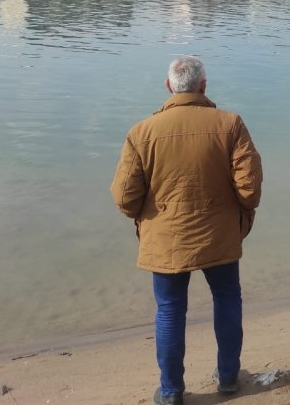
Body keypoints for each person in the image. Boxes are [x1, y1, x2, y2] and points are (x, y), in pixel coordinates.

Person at [110, 56, 263, 405]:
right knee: (226, 299)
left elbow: (125, 199)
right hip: (220, 233)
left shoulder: (141, 133)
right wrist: (236, 212)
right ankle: (227, 377)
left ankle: (171, 391)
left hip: (166, 238)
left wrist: (150, 214)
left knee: (169, 309)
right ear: (204, 87)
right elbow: (249, 190)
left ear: (168, 87)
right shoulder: (230, 124)